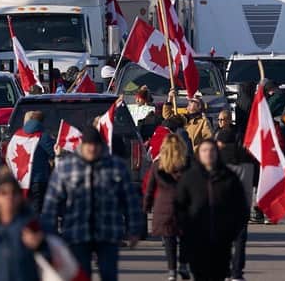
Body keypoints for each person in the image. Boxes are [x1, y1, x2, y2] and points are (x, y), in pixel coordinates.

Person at [41, 124, 144, 281]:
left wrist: (135, 229)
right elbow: (52, 203)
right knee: (81, 275)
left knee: (109, 275)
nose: (92, 149)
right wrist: (50, 234)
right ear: (82, 145)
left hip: (108, 232)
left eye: (96, 145)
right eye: (89, 145)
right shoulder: (66, 167)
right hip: (77, 233)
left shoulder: (116, 167)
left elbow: (130, 200)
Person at [175, 140, 249, 281]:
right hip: (197, 240)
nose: (208, 154)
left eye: (212, 150)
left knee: (218, 274)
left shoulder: (229, 177)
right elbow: (179, 206)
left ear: (217, 153)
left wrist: (232, 230)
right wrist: (185, 228)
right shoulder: (190, 177)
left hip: (222, 241)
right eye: (204, 150)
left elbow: (240, 207)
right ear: (198, 154)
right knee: (200, 274)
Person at [144, 134, 189, 281]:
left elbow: (150, 189)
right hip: (184, 206)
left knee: (169, 240)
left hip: (163, 207)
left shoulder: (158, 165)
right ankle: (183, 264)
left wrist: (146, 207)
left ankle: (172, 271)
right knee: (185, 238)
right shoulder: (187, 164)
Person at [215, 126, 256, 281]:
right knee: (240, 240)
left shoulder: (218, 158)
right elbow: (254, 180)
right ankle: (237, 272)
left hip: (222, 204)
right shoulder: (248, 157)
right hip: (243, 204)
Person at [22, 111, 55, 215]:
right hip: (39, 178)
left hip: (22, 178)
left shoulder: (18, 135)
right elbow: (54, 152)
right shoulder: (42, 136)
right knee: (38, 209)